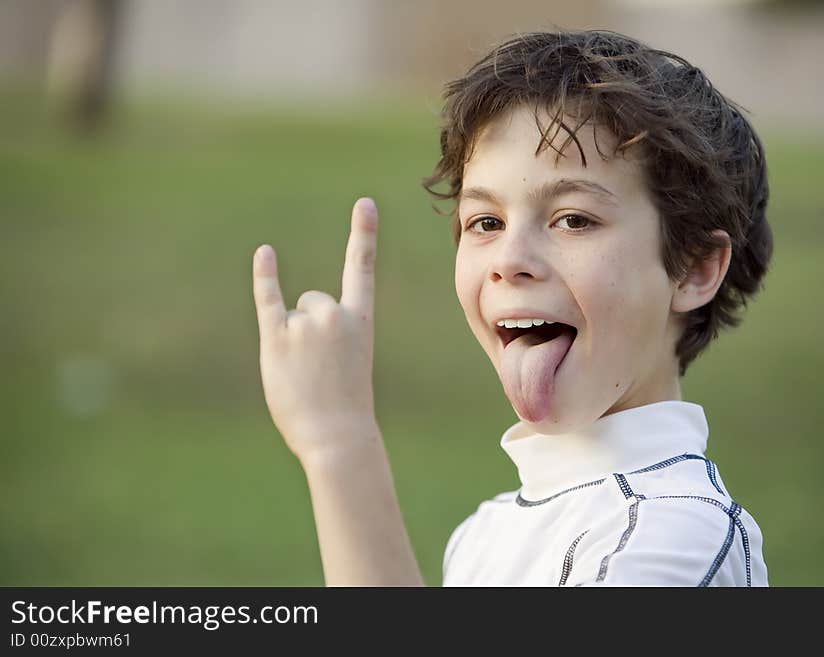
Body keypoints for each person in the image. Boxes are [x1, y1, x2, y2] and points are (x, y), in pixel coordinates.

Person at [251, 29, 773, 586]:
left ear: (694, 268)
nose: (510, 259)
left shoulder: (670, 537)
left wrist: (343, 448)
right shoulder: (485, 532)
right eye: (486, 223)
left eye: (574, 219)